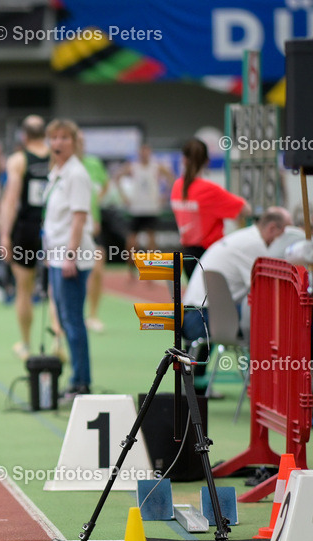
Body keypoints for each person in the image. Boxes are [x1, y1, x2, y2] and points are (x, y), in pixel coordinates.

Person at [181, 207, 296, 385]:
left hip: (195, 317)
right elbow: (269, 289)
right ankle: (271, 384)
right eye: (287, 235)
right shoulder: (255, 247)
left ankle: (262, 384)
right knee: (282, 322)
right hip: (206, 320)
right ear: (273, 229)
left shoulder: (244, 238)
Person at [43, 119, 96, 398]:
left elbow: (79, 218)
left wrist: (70, 256)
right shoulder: (58, 172)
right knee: (64, 320)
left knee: (73, 320)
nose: (58, 143)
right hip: (55, 255)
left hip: (70, 256)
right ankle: (77, 378)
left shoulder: (76, 174)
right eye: (54, 138)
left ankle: (81, 382)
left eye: (64, 138)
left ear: (74, 142)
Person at [0, 115, 50, 359]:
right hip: (53, 227)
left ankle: (27, 344)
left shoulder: (18, 160)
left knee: (24, 289)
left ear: (24, 136)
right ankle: (58, 342)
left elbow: (11, 199)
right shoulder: (57, 157)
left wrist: (5, 235)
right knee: (56, 291)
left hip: (27, 228)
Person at [170, 138, 251, 279]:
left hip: (187, 254)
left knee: (197, 298)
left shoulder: (177, 186)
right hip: (209, 255)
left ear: (183, 160)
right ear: (207, 161)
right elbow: (246, 209)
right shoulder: (209, 190)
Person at [115, 143, 175, 276]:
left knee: (151, 239)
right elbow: (117, 177)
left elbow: (171, 178)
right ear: (139, 153)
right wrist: (124, 197)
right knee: (132, 240)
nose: (144, 154)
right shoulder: (133, 167)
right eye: (142, 152)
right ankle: (131, 268)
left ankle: (151, 270)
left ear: (150, 152)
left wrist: (165, 196)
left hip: (151, 208)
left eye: (146, 151)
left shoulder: (156, 167)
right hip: (136, 208)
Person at [81, 154, 109, 333]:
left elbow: (105, 184)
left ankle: (93, 316)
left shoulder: (94, 163)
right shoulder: (67, 165)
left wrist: (95, 203)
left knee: (97, 271)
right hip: (70, 229)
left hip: (94, 227)